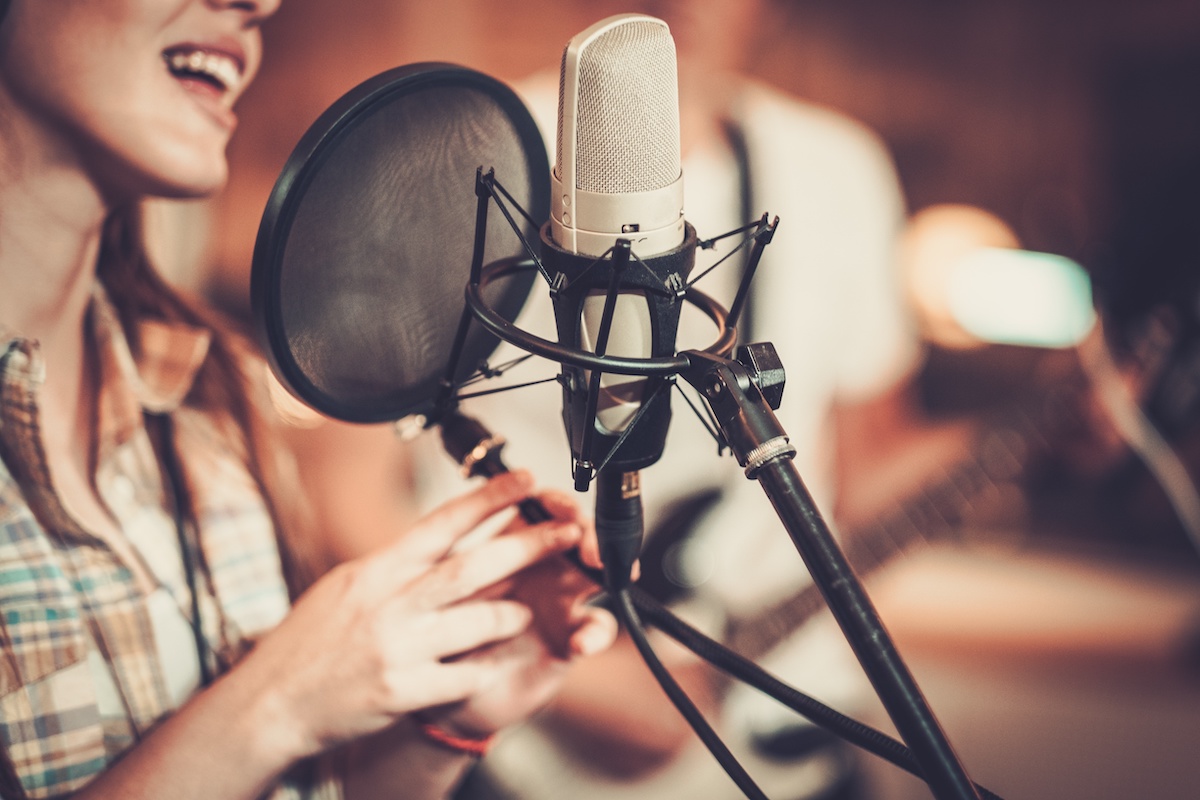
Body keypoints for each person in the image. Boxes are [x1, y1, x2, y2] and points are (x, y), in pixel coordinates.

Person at [0, 1, 616, 799]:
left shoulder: (211, 399)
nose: (259, 3)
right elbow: (271, 721)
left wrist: (447, 723)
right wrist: (279, 701)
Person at [403, 3, 973, 799]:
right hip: (525, 742)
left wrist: (1037, 437)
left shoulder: (838, 167)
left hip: (783, 734)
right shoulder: (474, 152)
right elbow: (340, 481)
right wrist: (566, 674)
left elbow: (861, 470)